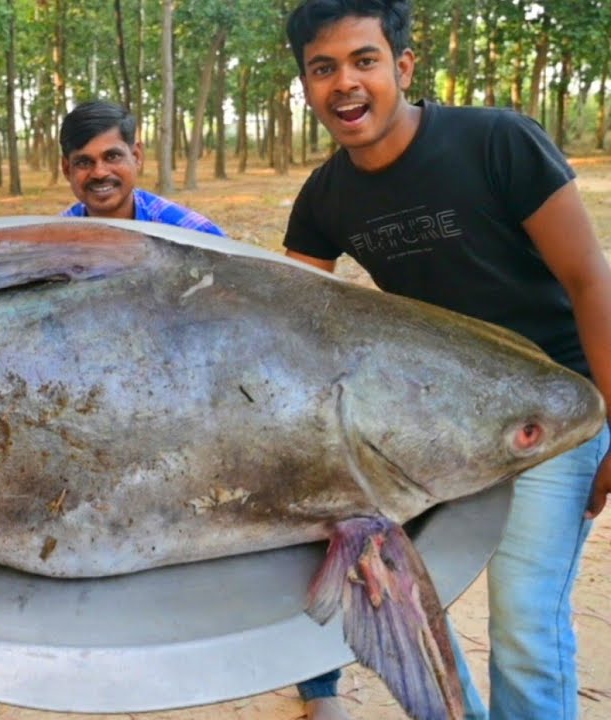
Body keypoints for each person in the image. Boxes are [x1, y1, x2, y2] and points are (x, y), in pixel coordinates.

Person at [281, 2, 611, 719]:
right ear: (306, 86)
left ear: (402, 66)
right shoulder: (324, 198)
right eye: (323, 68)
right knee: (408, 597)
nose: (345, 83)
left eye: (364, 60)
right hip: (434, 426)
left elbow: (591, 279)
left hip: (550, 412)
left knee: (523, 620)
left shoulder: (497, 142)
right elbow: (287, 329)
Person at [58, 99, 224, 235]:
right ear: (66, 169)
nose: (99, 173)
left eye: (112, 157)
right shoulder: (55, 241)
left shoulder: (193, 234)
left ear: (136, 156)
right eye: (84, 162)